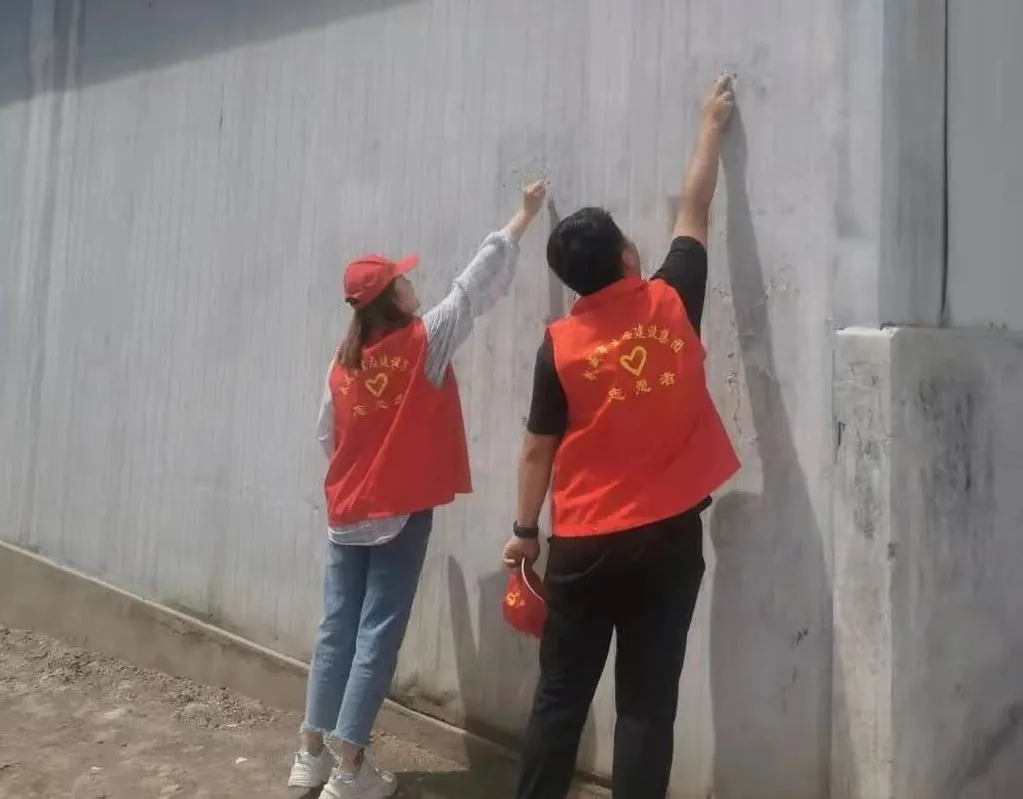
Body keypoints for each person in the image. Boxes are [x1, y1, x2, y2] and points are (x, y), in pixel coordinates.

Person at [502, 77, 740, 799]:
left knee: (559, 699)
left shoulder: (560, 345)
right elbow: (694, 209)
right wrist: (709, 126)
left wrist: (524, 533)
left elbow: (538, 449)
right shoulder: (672, 300)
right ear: (628, 259)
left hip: (584, 548)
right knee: (646, 708)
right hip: (666, 542)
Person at [291, 179, 548, 799]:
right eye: (403, 280)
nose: (413, 283)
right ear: (391, 298)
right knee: (377, 631)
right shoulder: (423, 342)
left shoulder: (342, 362)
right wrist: (523, 216)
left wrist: (360, 473)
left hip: (346, 511)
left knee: (335, 628)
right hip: (398, 512)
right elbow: (473, 286)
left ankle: (310, 755)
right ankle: (350, 768)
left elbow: (326, 435)